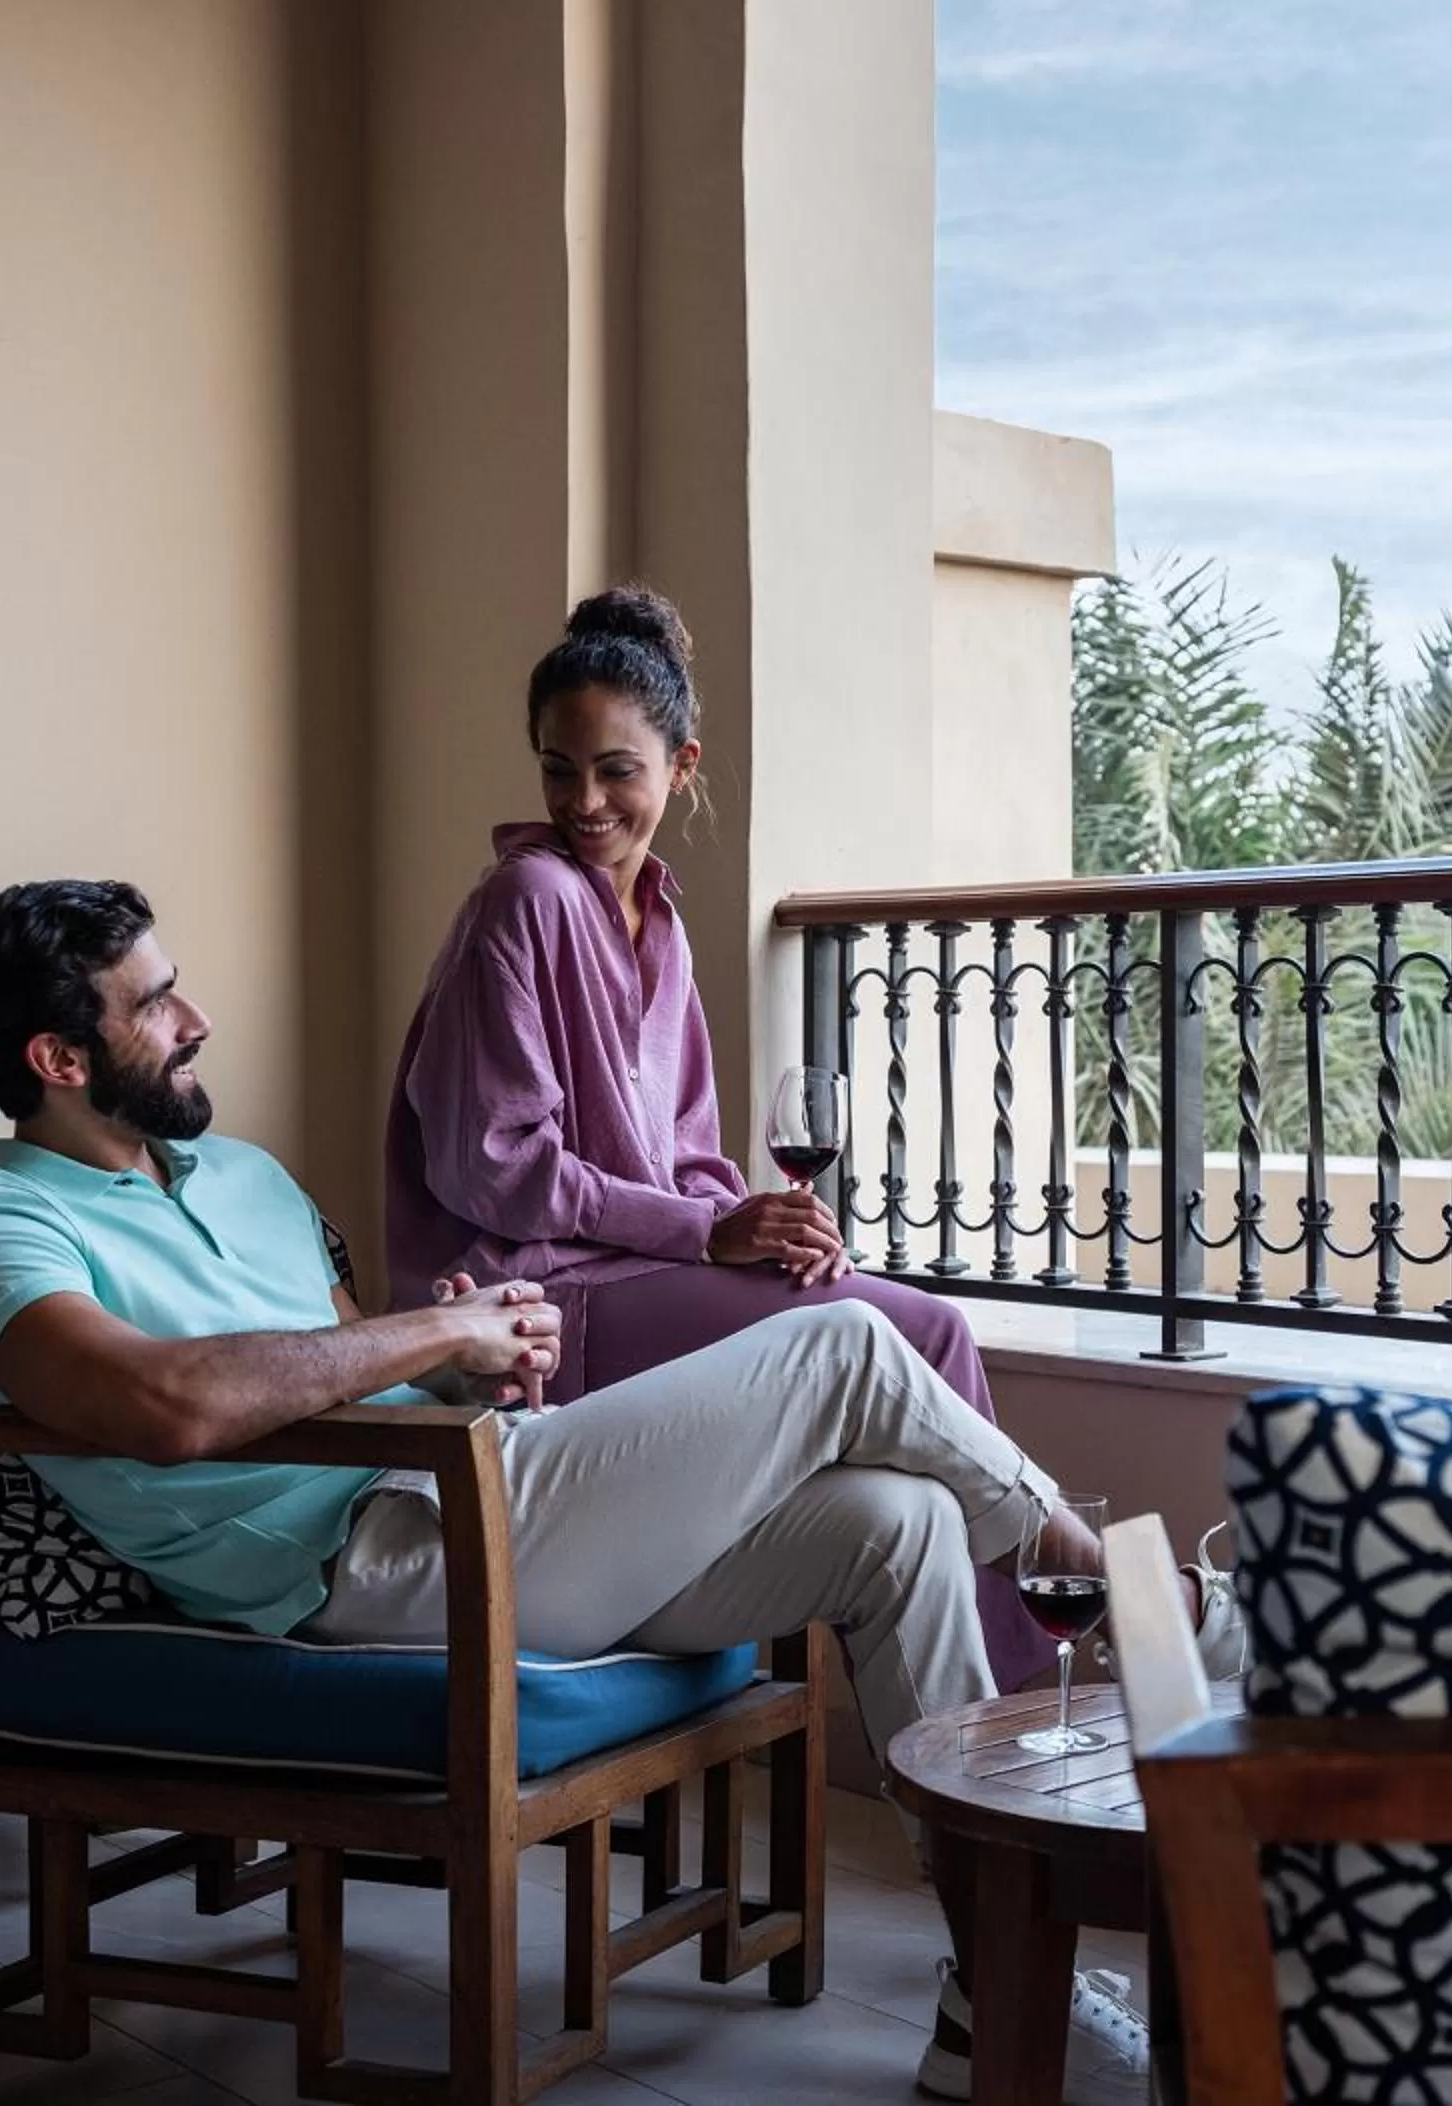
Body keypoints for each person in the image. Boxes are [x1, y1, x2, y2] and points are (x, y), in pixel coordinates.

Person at [0, 879, 1215, 2098]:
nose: (195, 1018)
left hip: (467, 1502)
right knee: (847, 1342)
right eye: (153, 1003)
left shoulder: (244, 1177)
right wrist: (434, 1339)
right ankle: (1129, 1590)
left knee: (902, 1519)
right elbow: (167, 1405)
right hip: (353, 1572)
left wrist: (471, 1359)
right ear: (60, 1059)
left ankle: (993, 1997)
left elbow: (346, 1378)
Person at [386, 587, 1094, 1694]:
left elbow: (696, 1158)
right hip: (541, 1303)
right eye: (559, 768)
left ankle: (989, 1723)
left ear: (682, 765)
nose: (585, 800)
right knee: (918, 1337)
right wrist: (710, 1230)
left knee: (922, 1333)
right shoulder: (525, 900)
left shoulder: (657, 921)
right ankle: (1026, 1703)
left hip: (637, 1277)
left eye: (617, 769)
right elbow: (493, 1166)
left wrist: (777, 1236)